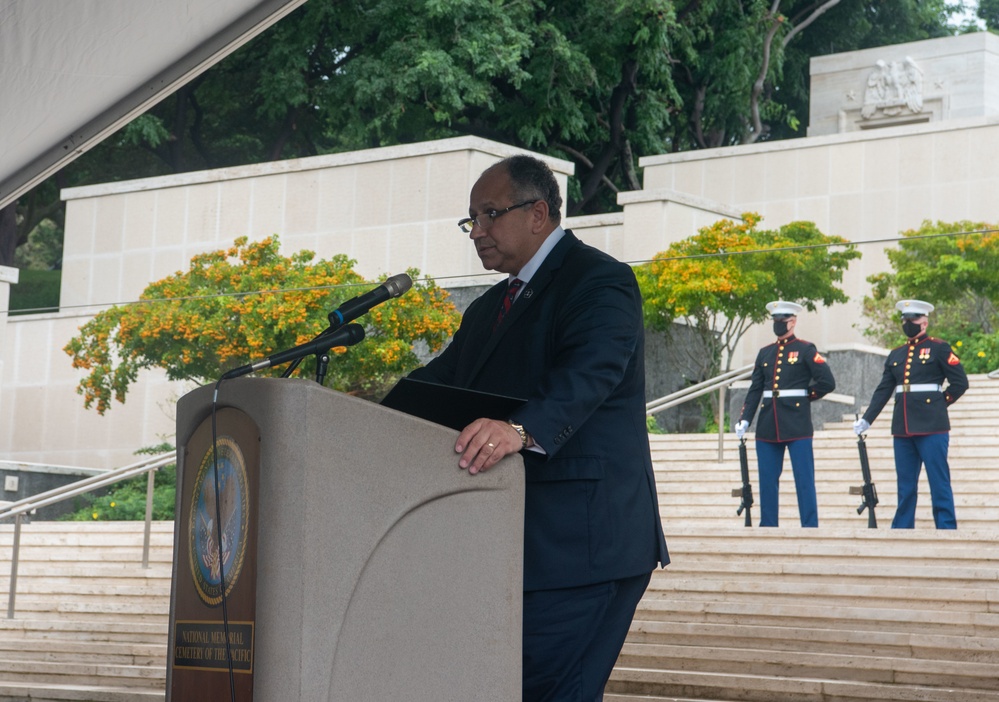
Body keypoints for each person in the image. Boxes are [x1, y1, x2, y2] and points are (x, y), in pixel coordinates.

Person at [406, 154, 669, 701]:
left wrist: (518, 430)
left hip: (585, 545)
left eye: (489, 215)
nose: (476, 232)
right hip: (515, 546)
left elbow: (591, 371)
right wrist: (362, 406)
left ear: (539, 213)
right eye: (470, 220)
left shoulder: (599, 281)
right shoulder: (487, 310)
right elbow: (438, 387)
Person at [853, 299, 969, 529]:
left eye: (913, 319)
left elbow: (960, 383)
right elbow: (883, 390)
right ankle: (902, 526)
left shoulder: (939, 348)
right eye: (905, 319)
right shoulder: (896, 354)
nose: (908, 323)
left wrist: (939, 403)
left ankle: (946, 526)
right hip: (903, 428)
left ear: (924, 322)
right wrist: (868, 418)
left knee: (938, 481)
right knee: (905, 484)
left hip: (932, 427)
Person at [734, 301, 836, 527]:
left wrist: (805, 397)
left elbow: (827, 381)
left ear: (793, 321)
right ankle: (768, 526)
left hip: (797, 423)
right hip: (768, 424)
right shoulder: (765, 353)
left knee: (804, 480)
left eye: (783, 321)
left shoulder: (805, 349)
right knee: (767, 481)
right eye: (775, 321)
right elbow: (755, 390)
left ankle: (810, 527)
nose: (778, 325)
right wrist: (745, 419)